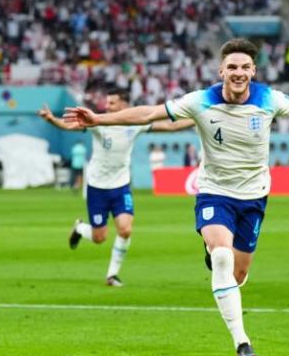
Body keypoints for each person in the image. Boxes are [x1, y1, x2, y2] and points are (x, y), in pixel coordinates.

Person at [64, 39, 289, 356]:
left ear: (253, 71)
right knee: (221, 255)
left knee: (237, 275)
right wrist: (98, 118)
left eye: (245, 67)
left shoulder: (269, 99)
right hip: (214, 191)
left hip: (253, 197)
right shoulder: (200, 101)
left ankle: (222, 269)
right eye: (232, 67)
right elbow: (148, 113)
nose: (238, 72)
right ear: (221, 71)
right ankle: (242, 342)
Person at [39, 90, 193, 287]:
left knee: (125, 230)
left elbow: (171, 127)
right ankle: (79, 228)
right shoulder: (97, 123)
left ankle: (112, 275)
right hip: (97, 187)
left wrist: (200, 118)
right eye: (107, 103)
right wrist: (51, 119)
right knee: (99, 237)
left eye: (112, 103)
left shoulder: (136, 125)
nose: (107, 107)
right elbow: (69, 126)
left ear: (124, 105)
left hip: (120, 186)